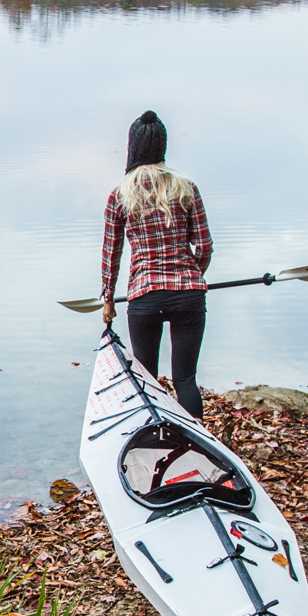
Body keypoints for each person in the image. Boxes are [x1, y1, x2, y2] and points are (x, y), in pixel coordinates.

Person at [100, 110, 211, 418]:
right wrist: (192, 278)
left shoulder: (119, 195)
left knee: (147, 382)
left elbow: (112, 254)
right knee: (186, 379)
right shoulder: (186, 187)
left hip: (144, 298)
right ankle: (197, 443)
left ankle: (155, 439)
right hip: (189, 294)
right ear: (163, 145)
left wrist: (108, 300)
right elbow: (204, 245)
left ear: (131, 148)